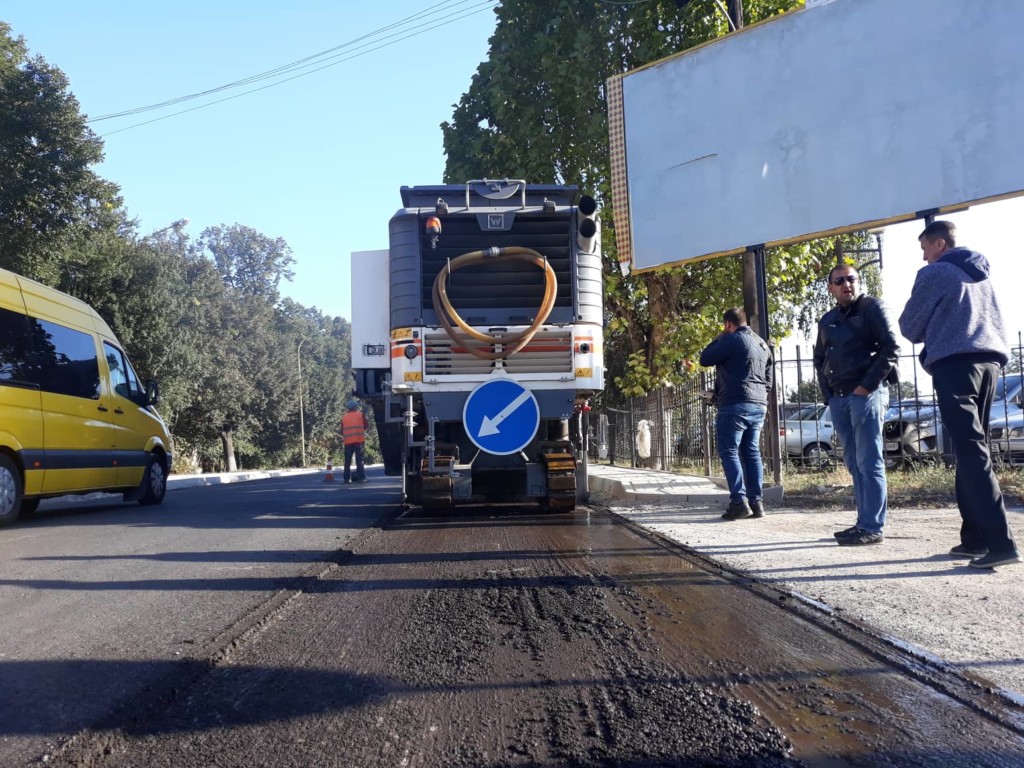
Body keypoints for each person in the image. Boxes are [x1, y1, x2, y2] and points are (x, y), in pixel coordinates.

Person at [899, 220, 1019, 569]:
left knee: (969, 451)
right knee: (974, 447)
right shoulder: (983, 275)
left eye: (925, 250)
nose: (924, 258)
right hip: (990, 365)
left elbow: (909, 326)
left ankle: (1000, 543)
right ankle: (976, 538)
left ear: (938, 244)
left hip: (955, 365)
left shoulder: (938, 273)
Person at [813, 264, 899, 547]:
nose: (846, 284)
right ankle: (863, 522)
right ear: (831, 287)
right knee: (853, 461)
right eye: (839, 281)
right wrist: (829, 396)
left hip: (866, 393)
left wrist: (866, 387)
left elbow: (891, 348)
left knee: (869, 460)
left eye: (851, 279)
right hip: (839, 398)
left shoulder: (871, 308)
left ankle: (873, 526)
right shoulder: (827, 320)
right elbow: (819, 359)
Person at [699, 307, 774, 520]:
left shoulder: (732, 339)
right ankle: (757, 503)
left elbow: (705, 358)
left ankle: (738, 502)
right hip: (758, 405)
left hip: (734, 404)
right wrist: (758, 396)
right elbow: (768, 379)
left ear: (728, 324)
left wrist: (719, 337)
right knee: (751, 452)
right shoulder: (762, 344)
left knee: (729, 451)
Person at [341, 399, 369, 483]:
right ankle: (361, 478)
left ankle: (346, 479)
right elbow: (366, 426)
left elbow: (342, 430)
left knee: (347, 462)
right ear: (355, 407)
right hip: (358, 442)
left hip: (348, 442)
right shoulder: (360, 415)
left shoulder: (344, 417)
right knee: (359, 461)